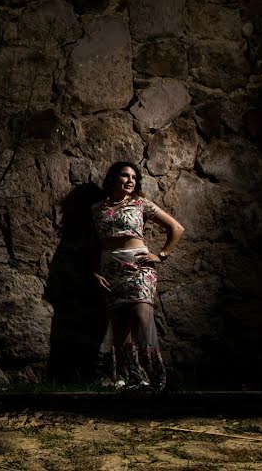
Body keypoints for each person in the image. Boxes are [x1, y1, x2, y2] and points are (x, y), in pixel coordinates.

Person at [90, 162, 184, 391]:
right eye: (125, 175)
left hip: (139, 267)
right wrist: (94, 272)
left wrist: (161, 255)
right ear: (113, 178)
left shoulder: (140, 204)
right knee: (120, 328)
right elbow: (90, 245)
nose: (130, 180)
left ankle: (156, 377)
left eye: (134, 177)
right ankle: (132, 378)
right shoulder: (96, 209)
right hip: (111, 271)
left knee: (142, 316)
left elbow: (177, 228)